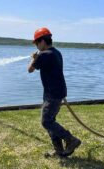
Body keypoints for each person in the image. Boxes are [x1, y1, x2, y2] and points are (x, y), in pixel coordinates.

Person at [28, 27, 81, 157]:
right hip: (56, 92)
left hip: (53, 94)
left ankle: (71, 140)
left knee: (46, 122)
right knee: (50, 121)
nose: (36, 46)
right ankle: (59, 150)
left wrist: (33, 58)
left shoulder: (44, 55)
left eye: (36, 43)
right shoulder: (56, 52)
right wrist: (37, 57)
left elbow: (30, 69)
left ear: (42, 42)